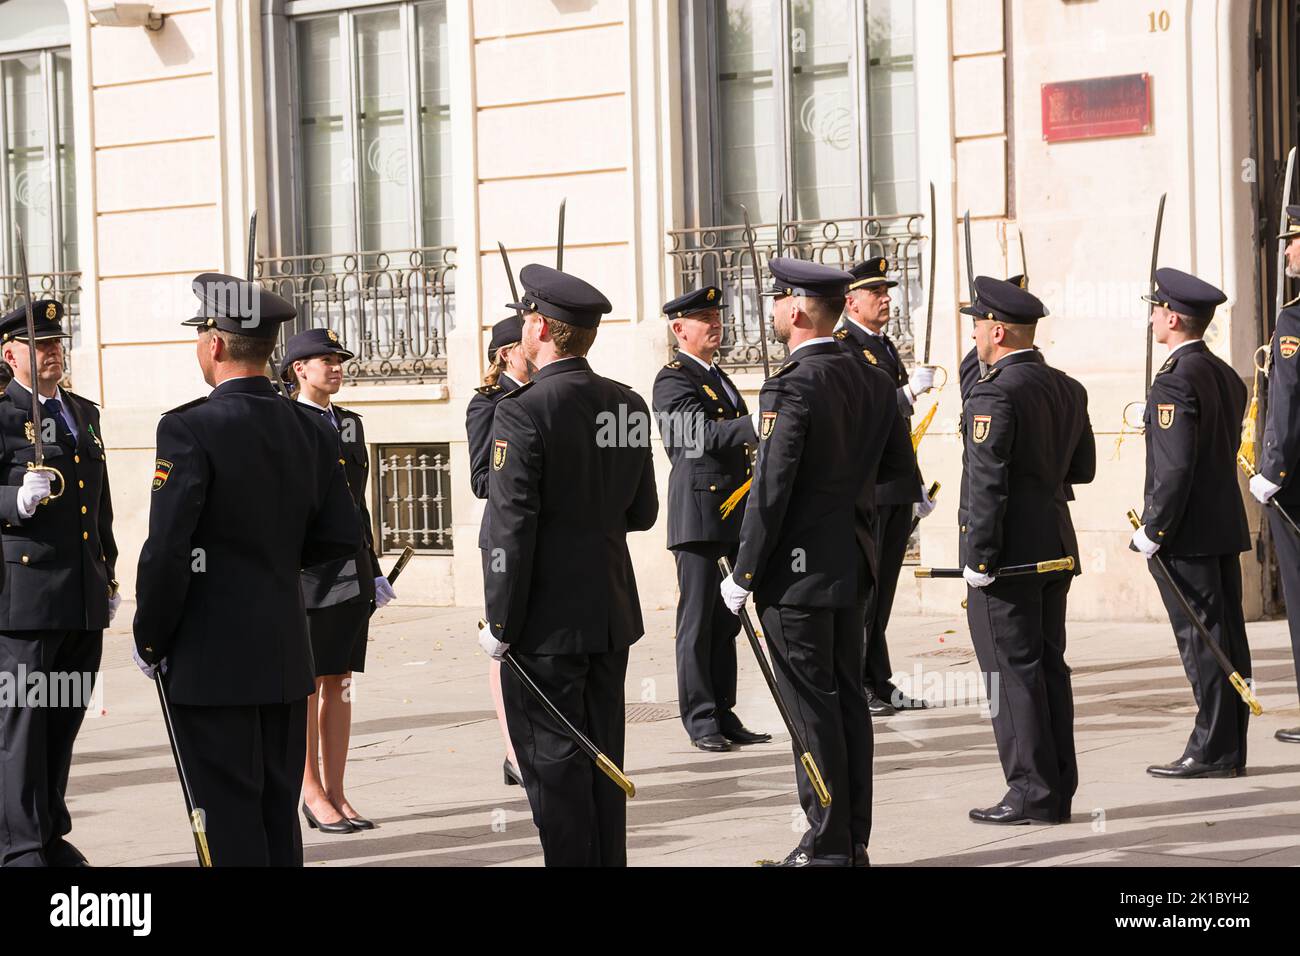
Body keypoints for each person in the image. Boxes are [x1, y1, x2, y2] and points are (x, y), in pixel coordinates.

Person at [132, 274, 359, 866]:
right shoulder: (311, 427)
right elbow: (338, 540)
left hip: (211, 661)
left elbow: (167, 550)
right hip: (285, 653)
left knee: (226, 821)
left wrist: (150, 635)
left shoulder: (186, 427)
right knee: (276, 816)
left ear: (215, 345)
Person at [720, 257, 913, 867]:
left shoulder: (790, 385)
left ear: (797, 309)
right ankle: (852, 837)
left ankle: (825, 843)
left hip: (796, 577)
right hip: (852, 565)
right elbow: (896, 475)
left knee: (811, 706)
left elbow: (771, 490)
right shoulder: (875, 379)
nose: (773, 309)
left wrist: (744, 573)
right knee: (847, 700)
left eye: (778, 299)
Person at [477, 264, 658, 866]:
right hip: (607, 610)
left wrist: (500, 624)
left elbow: (510, 528)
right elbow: (643, 512)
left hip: (544, 622)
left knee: (555, 773)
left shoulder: (523, 411)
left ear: (537, 328)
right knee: (604, 760)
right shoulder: (626, 402)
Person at [960, 276, 1095, 826]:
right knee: (1047, 670)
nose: (973, 335)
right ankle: (1056, 787)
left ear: (996, 329)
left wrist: (980, 557)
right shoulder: (1067, 386)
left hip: (1008, 556)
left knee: (1010, 675)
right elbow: (1081, 470)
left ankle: (1028, 792)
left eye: (976, 325)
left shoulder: (994, 393)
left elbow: (987, 483)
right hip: (1054, 544)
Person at [0, 300, 117, 867]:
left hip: (82, 595)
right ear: (10, 354)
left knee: (61, 724)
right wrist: (13, 500)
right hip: (27, 599)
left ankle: (48, 830)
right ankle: (19, 847)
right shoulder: (2, 414)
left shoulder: (81, 413)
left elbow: (101, 502)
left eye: (55, 341)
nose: (51, 351)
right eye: (38, 344)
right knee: (22, 730)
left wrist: (109, 571)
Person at [1131, 268, 1250, 777]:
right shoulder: (1221, 373)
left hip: (1188, 533)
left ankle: (1210, 749)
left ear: (1173, 317)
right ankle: (1229, 746)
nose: (1153, 315)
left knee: (1202, 642)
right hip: (1221, 525)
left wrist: (1154, 530)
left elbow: (1176, 468)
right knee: (1226, 640)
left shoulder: (1175, 380)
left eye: (1156, 308)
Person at [281, 328, 395, 833]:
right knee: (307, 684)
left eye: (339, 359)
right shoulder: (286, 421)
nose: (335, 367)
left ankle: (338, 789)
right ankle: (309, 790)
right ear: (298, 369)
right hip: (308, 571)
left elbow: (357, 501)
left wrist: (372, 569)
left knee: (341, 681)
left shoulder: (349, 424)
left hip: (351, 568)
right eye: (324, 360)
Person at [652, 286, 770, 752]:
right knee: (699, 621)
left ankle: (724, 710)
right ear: (680, 329)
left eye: (716, 316)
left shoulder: (717, 376)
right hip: (700, 513)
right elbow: (693, 435)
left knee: (727, 620)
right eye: (704, 318)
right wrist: (754, 423)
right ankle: (700, 717)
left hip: (732, 511)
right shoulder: (673, 378)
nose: (715, 323)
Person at [836, 257, 936, 715]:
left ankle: (879, 676)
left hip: (894, 485)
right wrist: (907, 394)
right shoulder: (844, 347)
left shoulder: (886, 346)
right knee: (867, 593)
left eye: (887, 293)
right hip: (870, 488)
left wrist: (915, 485)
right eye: (877, 293)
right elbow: (863, 412)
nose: (886, 300)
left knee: (886, 590)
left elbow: (898, 434)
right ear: (851, 301)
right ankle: (857, 681)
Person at [465, 314, 528, 785]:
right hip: (505, 540)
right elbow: (482, 480)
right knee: (505, 640)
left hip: (546, 537)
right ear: (506, 352)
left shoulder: (549, 396)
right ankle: (513, 751)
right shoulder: (486, 404)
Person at [1252, 204, 1300, 745]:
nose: (1285, 249)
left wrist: (1274, 470)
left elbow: (1287, 402)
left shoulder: (1293, 319)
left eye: (1292, 241)